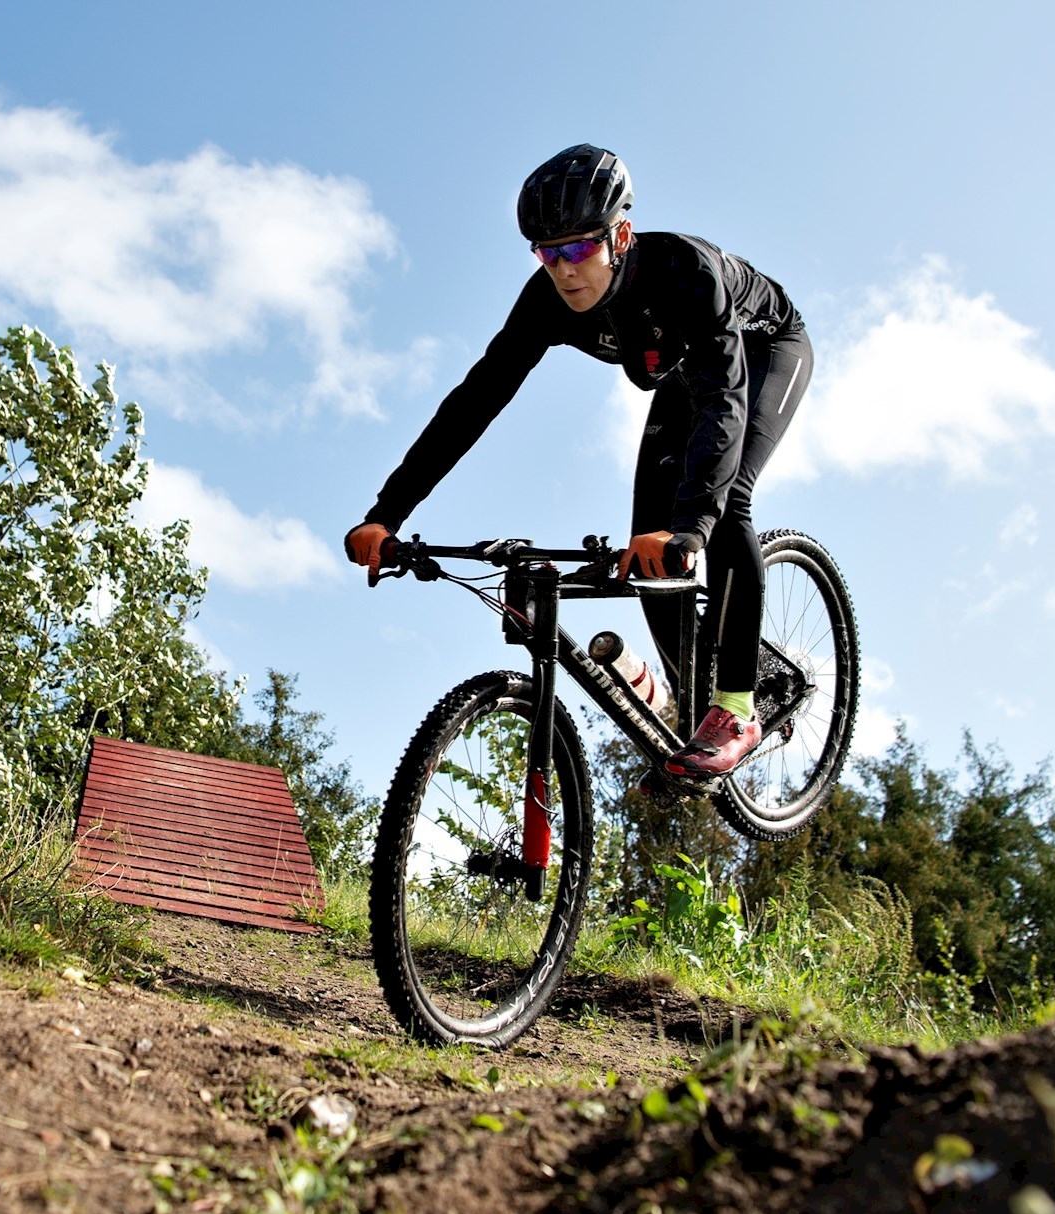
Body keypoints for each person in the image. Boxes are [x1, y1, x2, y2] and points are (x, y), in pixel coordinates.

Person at [344, 144, 813, 784]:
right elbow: (474, 402)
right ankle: (693, 705)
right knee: (644, 550)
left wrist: (692, 528)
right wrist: (387, 513)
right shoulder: (545, 300)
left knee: (721, 505)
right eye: (546, 252)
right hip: (685, 375)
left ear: (619, 236)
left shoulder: (686, 273)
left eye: (579, 248)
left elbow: (725, 404)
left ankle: (735, 709)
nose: (564, 270)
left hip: (757, 354)